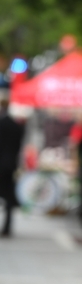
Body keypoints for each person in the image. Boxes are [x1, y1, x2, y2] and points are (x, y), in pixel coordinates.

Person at [0, 100, 25, 237]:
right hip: (11, 165)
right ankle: (7, 227)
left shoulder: (1, 124)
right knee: (9, 197)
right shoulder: (17, 126)